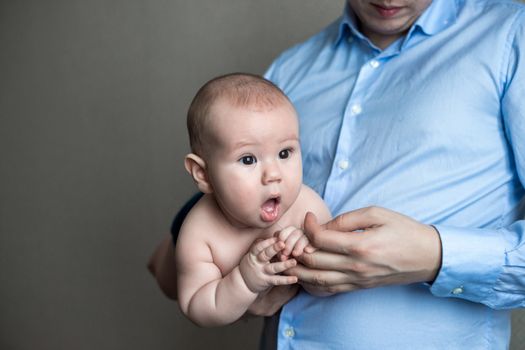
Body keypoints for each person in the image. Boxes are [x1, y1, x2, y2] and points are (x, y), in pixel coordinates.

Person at [149, 0, 525, 348]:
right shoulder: (290, 70)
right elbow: (170, 268)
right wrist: (237, 273)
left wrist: (434, 256)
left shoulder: (510, 36)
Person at [173, 73, 331, 327]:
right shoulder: (199, 234)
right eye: (248, 159)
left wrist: (310, 254)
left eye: (284, 153)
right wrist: (244, 281)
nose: (273, 175)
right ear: (203, 174)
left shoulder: (307, 208)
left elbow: (330, 286)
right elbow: (197, 308)